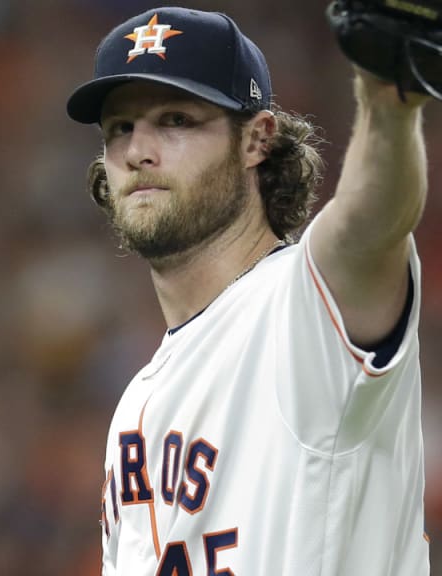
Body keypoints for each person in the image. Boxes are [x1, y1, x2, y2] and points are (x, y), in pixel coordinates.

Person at [66, 6, 430, 575]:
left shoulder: (302, 307)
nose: (139, 149)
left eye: (176, 120)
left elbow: (371, 223)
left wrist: (387, 103)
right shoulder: (136, 399)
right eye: (120, 128)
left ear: (257, 139)